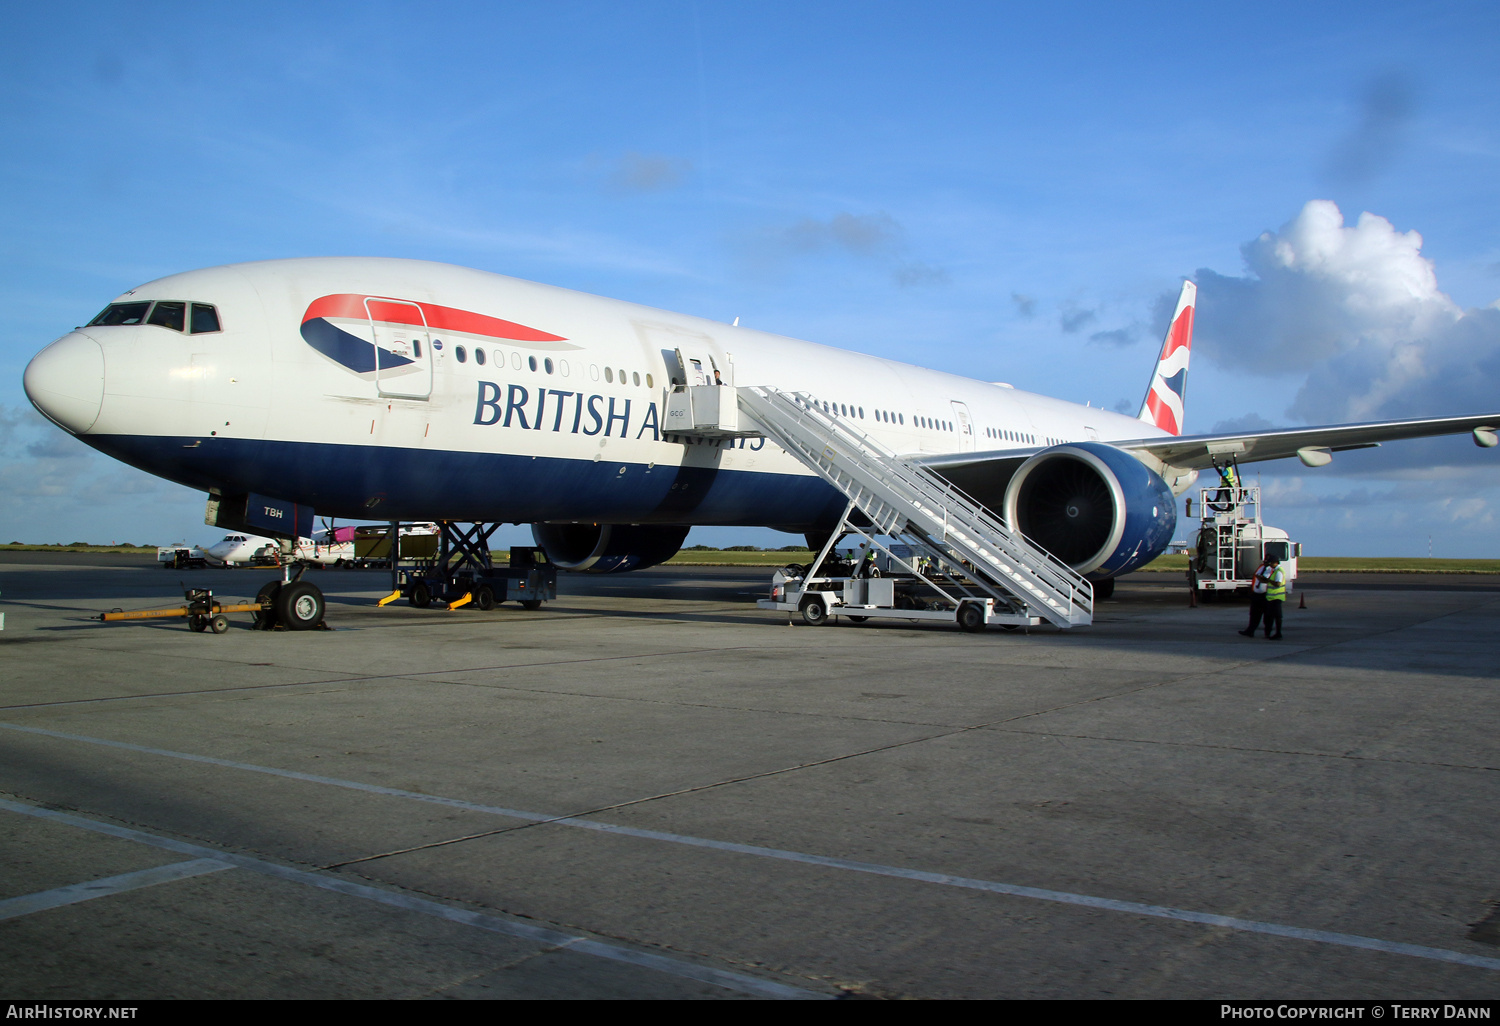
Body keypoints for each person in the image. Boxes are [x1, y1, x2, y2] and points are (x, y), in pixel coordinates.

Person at [1259, 554, 1286, 639]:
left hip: (1276, 598)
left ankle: (1278, 633)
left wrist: (1268, 580)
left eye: (1271, 563)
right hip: (1272, 598)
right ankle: (1272, 633)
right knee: (1271, 616)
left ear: (1275, 563)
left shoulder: (1278, 572)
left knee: (1277, 616)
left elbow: (1277, 584)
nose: (1270, 564)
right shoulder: (1274, 570)